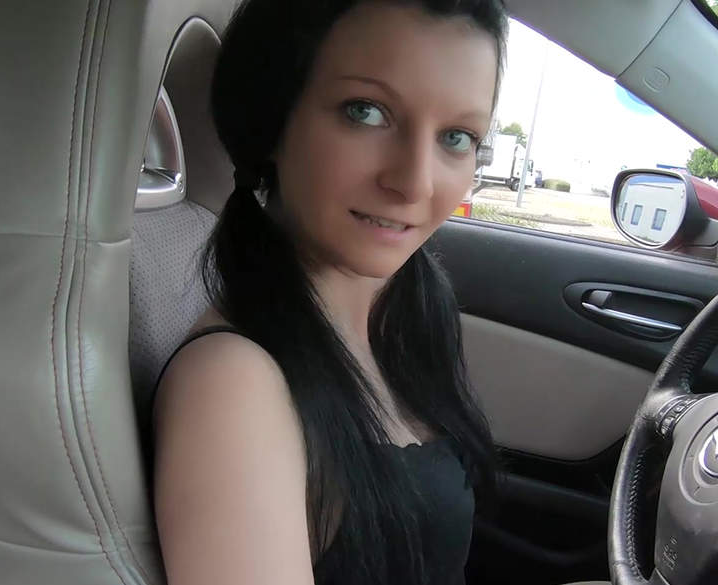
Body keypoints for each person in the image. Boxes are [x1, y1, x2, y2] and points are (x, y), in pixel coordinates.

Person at [152, 1, 508, 584]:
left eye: (457, 137)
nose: (415, 182)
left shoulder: (412, 306)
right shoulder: (232, 385)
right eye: (365, 112)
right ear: (273, 121)